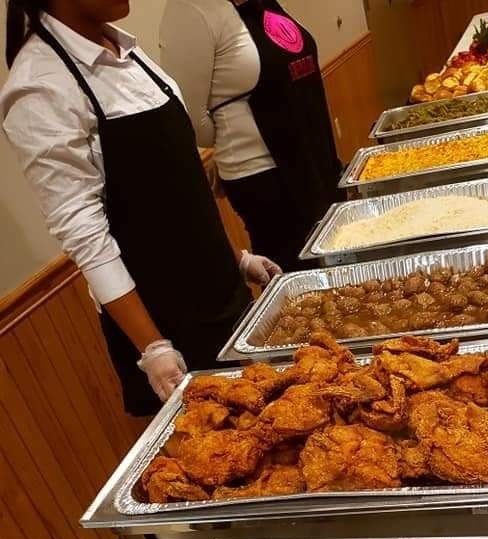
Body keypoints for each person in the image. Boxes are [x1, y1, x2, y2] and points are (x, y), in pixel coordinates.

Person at [1, 0, 282, 416]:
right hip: (168, 325)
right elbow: (86, 235)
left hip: (223, 297)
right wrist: (154, 348)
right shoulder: (39, 86)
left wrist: (235, 258)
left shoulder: (127, 52)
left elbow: (177, 188)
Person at [160, 0, 342, 272]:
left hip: (313, 160)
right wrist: (232, 141)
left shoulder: (259, 2)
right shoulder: (190, 10)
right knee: (300, 281)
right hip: (263, 176)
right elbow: (191, 119)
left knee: (337, 259)